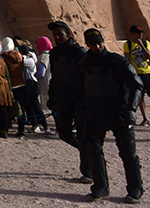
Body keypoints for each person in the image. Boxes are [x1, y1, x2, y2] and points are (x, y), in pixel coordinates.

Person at [81, 28, 144, 203]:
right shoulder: (85, 62)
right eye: (92, 44)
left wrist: (131, 109)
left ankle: (135, 189)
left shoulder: (117, 61)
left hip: (119, 111)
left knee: (127, 153)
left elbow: (137, 85)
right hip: (95, 111)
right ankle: (101, 187)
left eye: (99, 43)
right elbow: (82, 86)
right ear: (87, 44)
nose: (97, 46)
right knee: (93, 149)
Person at [47, 20, 92, 184]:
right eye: (55, 35)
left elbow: (87, 76)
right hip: (63, 97)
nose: (57, 37)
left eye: (60, 34)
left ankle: (88, 170)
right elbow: (54, 76)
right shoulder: (54, 53)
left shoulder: (78, 52)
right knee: (64, 132)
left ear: (68, 35)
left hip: (79, 98)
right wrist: (51, 96)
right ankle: (88, 152)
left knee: (82, 132)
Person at [124, 25, 150, 127]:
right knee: (140, 97)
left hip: (147, 73)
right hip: (136, 74)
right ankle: (145, 118)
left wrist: (142, 46)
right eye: (138, 33)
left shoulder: (146, 43)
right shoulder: (128, 44)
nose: (140, 35)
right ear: (132, 34)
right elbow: (127, 60)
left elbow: (149, 57)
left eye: (141, 33)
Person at [35, 35, 53, 118]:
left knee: (45, 102)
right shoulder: (51, 54)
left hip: (45, 81)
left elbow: (41, 73)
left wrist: (34, 75)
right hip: (51, 79)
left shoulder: (44, 56)